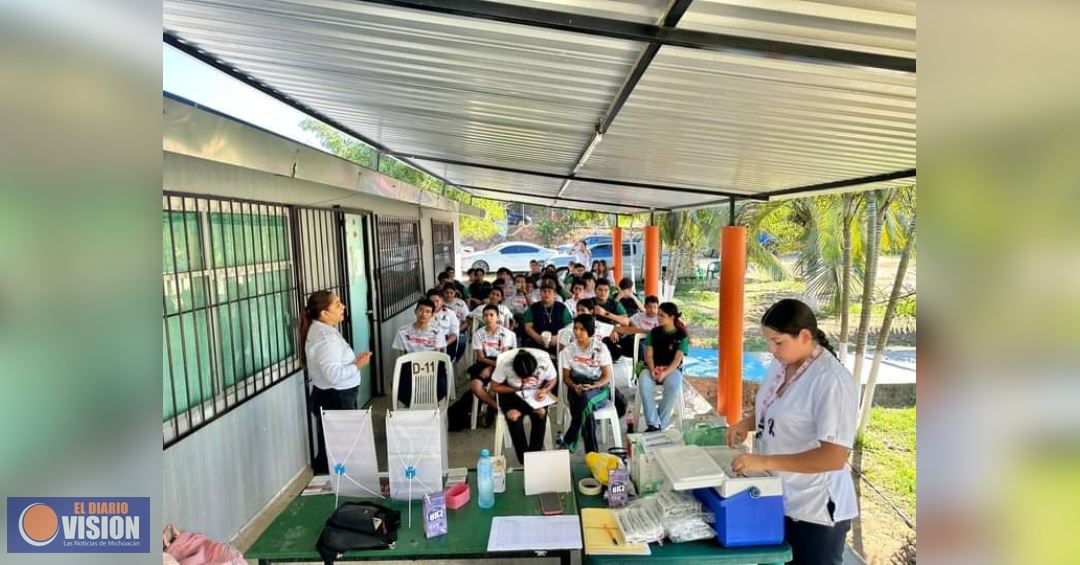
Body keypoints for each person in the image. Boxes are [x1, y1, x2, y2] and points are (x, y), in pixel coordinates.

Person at [728, 299, 858, 565]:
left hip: (815, 510)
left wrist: (763, 461)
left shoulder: (830, 381)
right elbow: (777, 410)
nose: (771, 349)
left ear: (805, 336)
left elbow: (833, 457)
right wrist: (746, 423)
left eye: (777, 342)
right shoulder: (782, 365)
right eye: (769, 341)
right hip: (780, 498)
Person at [300, 291, 372, 473]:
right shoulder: (326, 338)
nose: (343, 307)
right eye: (337, 304)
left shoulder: (323, 330)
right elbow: (333, 375)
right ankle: (330, 484)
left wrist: (354, 363)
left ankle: (331, 479)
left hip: (331, 395)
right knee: (339, 449)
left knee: (333, 446)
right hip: (336, 398)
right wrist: (357, 365)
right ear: (324, 313)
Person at [448, 304, 517, 430]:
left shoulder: (506, 333)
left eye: (492, 315)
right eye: (486, 315)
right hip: (484, 362)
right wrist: (488, 367)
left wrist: (491, 369)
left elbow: (504, 356)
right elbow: (480, 357)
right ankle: (498, 408)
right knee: (475, 385)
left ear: (498, 317)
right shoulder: (478, 334)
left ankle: (492, 412)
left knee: (495, 385)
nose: (488, 318)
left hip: (502, 363)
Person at [490, 349, 557, 465]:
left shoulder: (544, 362)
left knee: (540, 412)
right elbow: (495, 386)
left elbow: (552, 379)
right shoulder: (505, 364)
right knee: (513, 416)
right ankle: (524, 459)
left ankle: (534, 455)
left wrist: (545, 390)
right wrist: (515, 389)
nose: (526, 379)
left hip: (535, 392)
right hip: (511, 393)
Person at [558, 314, 613, 454]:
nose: (577, 332)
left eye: (582, 329)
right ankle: (592, 453)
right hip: (576, 387)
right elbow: (566, 378)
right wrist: (574, 386)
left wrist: (594, 386)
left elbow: (607, 376)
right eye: (575, 328)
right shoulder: (567, 351)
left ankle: (570, 439)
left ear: (589, 330)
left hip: (598, 388)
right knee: (585, 407)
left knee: (586, 401)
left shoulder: (601, 348)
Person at [638, 302, 688, 432]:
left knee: (673, 386)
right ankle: (654, 423)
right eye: (658, 315)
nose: (658, 318)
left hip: (672, 369)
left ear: (672, 317)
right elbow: (648, 355)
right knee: (644, 383)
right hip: (651, 367)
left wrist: (665, 373)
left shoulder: (681, 335)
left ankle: (659, 424)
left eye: (662, 315)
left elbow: (677, 360)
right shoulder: (653, 333)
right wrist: (652, 369)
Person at [392, 298, 448, 407]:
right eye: (421, 310)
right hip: (409, 366)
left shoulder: (437, 331)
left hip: (432, 365)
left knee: (440, 387)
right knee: (400, 387)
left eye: (428, 312)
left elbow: (438, 354)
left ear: (432, 315)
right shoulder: (403, 331)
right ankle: (412, 409)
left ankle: (431, 408)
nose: (423, 314)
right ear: (415, 311)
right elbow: (399, 356)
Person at [522, 280, 573, 353]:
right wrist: (538, 338)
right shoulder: (533, 308)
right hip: (537, 342)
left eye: (549, 291)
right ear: (540, 293)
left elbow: (568, 326)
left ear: (554, 294)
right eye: (544, 291)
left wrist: (558, 337)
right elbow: (528, 327)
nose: (546, 293)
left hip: (558, 342)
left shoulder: (562, 307)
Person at [427, 288, 459, 359]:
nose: (434, 304)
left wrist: (443, 344)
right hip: (428, 341)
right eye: (432, 302)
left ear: (442, 301)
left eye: (437, 301)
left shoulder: (450, 313)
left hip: (447, 342)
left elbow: (454, 334)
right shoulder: (425, 314)